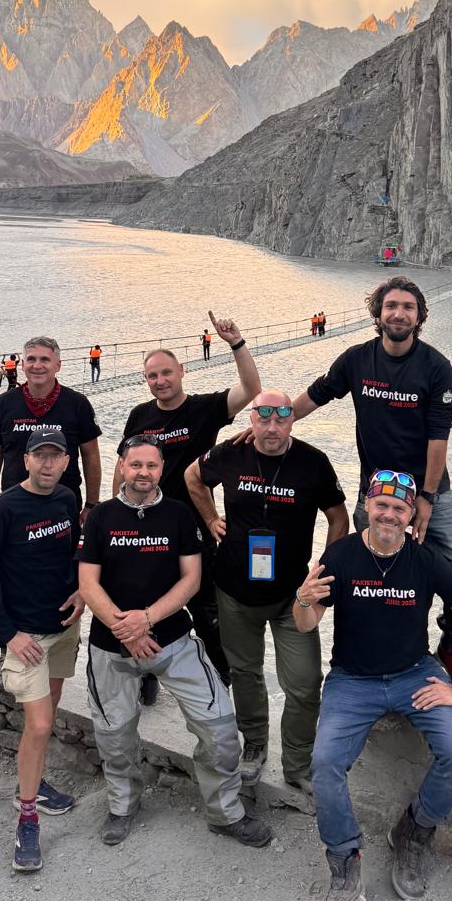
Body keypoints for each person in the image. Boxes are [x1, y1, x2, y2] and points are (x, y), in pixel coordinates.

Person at [293, 469, 452, 901]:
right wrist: (303, 600)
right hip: (352, 680)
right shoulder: (340, 556)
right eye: (380, 505)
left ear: (411, 517)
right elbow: (305, 624)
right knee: (324, 763)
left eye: (399, 508)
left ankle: (415, 828)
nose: (388, 514)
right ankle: (345, 863)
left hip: (414, 674)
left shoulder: (426, 561)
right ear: (367, 505)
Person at [288, 276, 452, 698]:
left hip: (431, 493)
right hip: (374, 495)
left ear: (419, 317)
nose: (399, 313)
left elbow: (438, 438)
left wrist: (427, 499)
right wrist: (274, 422)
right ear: (377, 314)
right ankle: (366, 666)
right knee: (365, 579)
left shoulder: (435, 367)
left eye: (408, 307)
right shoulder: (357, 361)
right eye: (391, 305)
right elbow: (315, 396)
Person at [79, 436, 271, 849]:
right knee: (114, 734)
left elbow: (192, 580)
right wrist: (125, 629)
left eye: (151, 465)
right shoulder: (101, 517)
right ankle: (123, 804)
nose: (143, 473)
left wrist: (147, 619)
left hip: (173, 640)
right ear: (122, 467)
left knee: (220, 725)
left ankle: (225, 812)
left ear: (160, 469)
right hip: (111, 646)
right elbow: (87, 583)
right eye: (135, 465)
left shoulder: (180, 516)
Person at [185, 391, 348, 791]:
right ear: (252, 420)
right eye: (263, 419)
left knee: (306, 683)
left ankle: (297, 763)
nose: (271, 428)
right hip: (235, 590)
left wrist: (321, 573)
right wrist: (210, 518)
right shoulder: (231, 452)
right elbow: (192, 477)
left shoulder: (313, 462)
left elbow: (339, 519)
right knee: (244, 672)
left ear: (292, 420)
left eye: (280, 419)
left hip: (293, 597)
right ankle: (254, 745)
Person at [115, 311, 260, 700]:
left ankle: (222, 680)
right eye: (152, 376)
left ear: (181, 371)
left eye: (166, 373)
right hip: (144, 525)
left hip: (194, 525)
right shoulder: (139, 416)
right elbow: (124, 466)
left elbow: (250, 389)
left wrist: (236, 343)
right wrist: (112, 510)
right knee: (144, 601)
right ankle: (147, 672)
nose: (160, 381)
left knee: (205, 609)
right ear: (146, 381)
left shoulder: (204, 409)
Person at [0, 430, 85, 872]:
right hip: (27, 638)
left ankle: (32, 786)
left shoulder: (68, 499)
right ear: (26, 461)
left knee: (49, 715)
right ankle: (28, 817)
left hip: (64, 627)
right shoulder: (4, 510)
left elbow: (76, 548)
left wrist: (80, 590)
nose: (48, 464)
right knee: (37, 725)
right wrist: (9, 635)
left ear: (66, 462)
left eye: (56, 456)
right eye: (40, 456)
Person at [0, 335, 102, 688]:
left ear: (57, 365)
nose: (37, 365)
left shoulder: (76, 404)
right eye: (30, 359)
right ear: (21, 364)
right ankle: (7, 648)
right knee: (7, 577)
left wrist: (91, 504)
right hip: (13, 509)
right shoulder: (6, 403)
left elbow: (91, 456)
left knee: (59, 573)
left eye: (44, 359)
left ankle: (61, 643)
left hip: (64, 504)